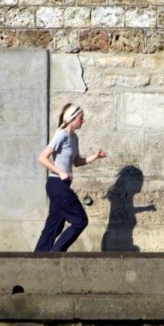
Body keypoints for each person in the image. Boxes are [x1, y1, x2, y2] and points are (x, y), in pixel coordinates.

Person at [34, 103, 106, 252]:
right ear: (72, 118)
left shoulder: (74, 138)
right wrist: (59, 172)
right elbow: (42, 157)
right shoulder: (61, 135)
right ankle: (55, 254)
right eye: (81, 117)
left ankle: (38, 258)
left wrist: (95, 157)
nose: (83, 120)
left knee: (54, 226)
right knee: (80, 220)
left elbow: (77, 162)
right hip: (57, 184)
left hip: (62, 186)